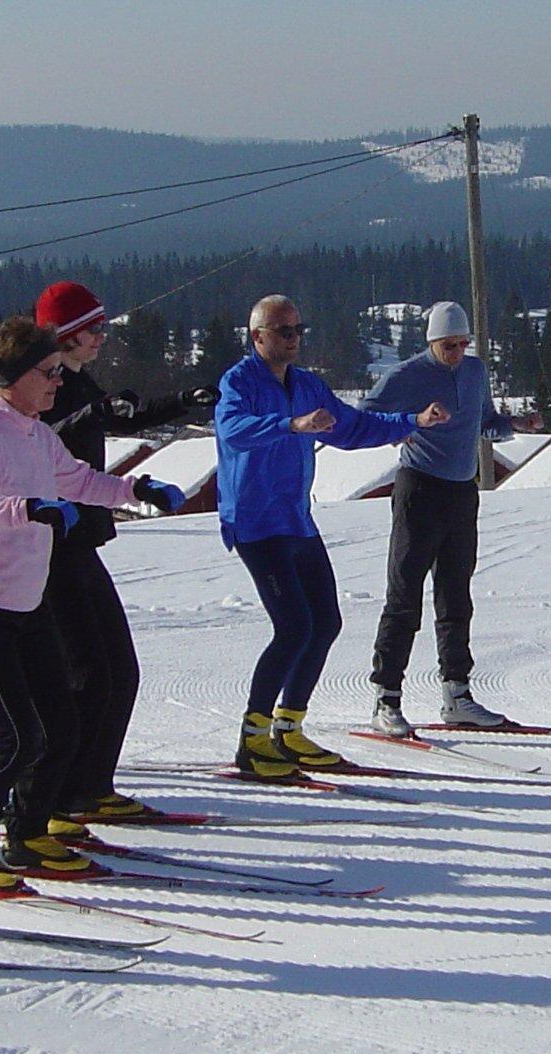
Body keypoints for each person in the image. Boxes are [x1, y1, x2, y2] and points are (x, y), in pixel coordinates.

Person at [0, 316, 180, 887]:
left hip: (27, 602)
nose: (55, 383)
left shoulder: (35, 433)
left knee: (62, 724)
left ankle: (28, 832)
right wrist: (27, 509)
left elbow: (76, 479)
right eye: (46, 374)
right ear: (17, 376)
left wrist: (134, 490)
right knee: (14, 736)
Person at [213, 294, 446, 779]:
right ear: (257, 337)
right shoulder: (239, 382)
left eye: (299, 330)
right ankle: (252, 741)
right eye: (283, 331)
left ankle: (288, 729)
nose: (294, 339)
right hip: (257, 523)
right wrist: (290, 424)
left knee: (325, 621)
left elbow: (352, 426)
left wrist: (412, 422)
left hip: (297, 519)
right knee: (294, 626)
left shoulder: (305, 385)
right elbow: (234, 430)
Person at [34, 279, 219, 824]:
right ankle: (64, 793)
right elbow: (42, 435)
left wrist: (182, 401)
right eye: (94, 328)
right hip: (49, 545)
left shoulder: (76, 379)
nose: (102, 337)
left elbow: (116, 417)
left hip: (81, 540)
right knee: (89, 674)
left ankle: (91, 785)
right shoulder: (41, 385)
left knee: (119, 672)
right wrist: (94, 414)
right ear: (67, 334)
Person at [363, 299, 517, 737]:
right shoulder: (408, 374)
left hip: (461, 491)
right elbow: (367, 418)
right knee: (404, 594)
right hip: (419, 488)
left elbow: (483, 422)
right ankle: (386, 697)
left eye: (463, 344)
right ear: (431, 341)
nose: (457, 352)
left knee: (456, 594)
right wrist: (412, 421)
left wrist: (512, 424)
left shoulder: (475, 371)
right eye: (449, 345)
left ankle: (457, 694)